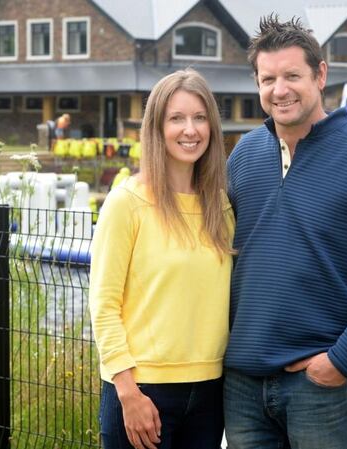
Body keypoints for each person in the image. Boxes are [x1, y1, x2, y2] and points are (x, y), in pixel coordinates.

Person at [224, 15, 347, 449]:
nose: (280, 90)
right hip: (241, 385)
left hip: (321, 386)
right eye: (268, 78)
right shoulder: (242, 158)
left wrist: (341, 362)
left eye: (292, 75)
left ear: (321, 74)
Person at [90, 68, 234, 449]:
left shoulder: (220, 205)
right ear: (156, 127)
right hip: (142, 390)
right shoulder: (127, 203)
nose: (191, 130)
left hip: (210, 392)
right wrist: (127, 392)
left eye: (200, 117)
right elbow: (103, 305)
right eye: (177, 118)